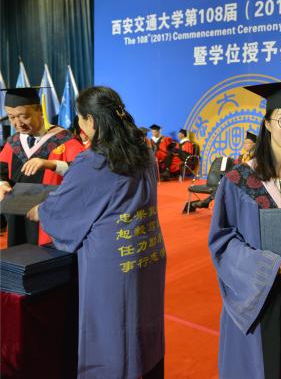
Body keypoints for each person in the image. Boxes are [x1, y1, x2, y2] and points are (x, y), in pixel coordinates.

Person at [26, 86, 166, 379]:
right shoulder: (143, 150)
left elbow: (67, 208)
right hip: (146, 251)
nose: (79, 124)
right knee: (144, 320)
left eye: (80, 118)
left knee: (112, 332)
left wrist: (41, 211)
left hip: (112, 261)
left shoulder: (95, 159)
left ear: (91, 120)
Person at [208, 80, 281, 378]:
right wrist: (266, 265)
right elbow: (222, 240)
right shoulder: (238, 179)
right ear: (268, 123)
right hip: (254, 291)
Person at [0, 87, 84, 246]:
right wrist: (2, 184)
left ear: (39, 110)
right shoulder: (13, 143)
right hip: (17, 218)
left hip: (50, 216)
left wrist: (52, 165)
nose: (18, 124)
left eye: (24, 116)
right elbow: (1, 170)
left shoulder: (64, 140)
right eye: (11, 117)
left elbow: (84, 170)